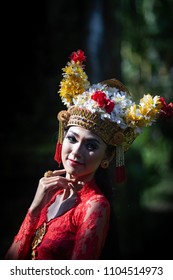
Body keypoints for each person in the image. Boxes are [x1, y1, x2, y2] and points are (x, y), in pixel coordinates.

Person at [5, 50, 173, 260]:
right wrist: (35, 207)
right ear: (62, 138)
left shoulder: (94, 206)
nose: (76, 151)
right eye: (72, 139)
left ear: (107, 158)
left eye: (91, 146)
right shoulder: (50, 194)